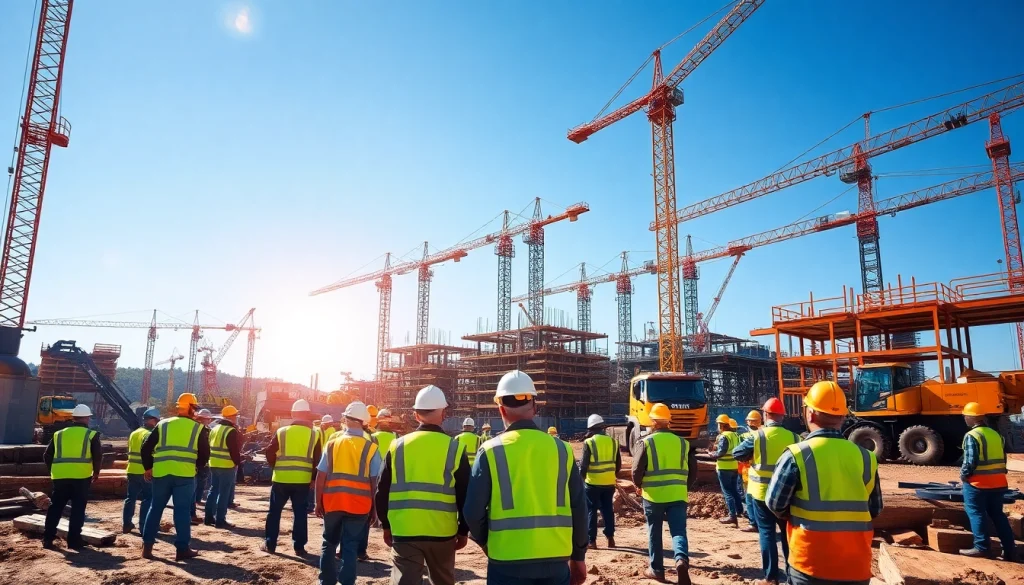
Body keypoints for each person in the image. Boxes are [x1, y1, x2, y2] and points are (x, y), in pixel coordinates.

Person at [464, 370, 589, 585]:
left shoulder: (490, 451)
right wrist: (578, 556)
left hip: (506, 560)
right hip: (555, 558)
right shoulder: (563, 450)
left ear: (500, 409)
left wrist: (487, 542)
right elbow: (579, 508)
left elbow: (472, 512)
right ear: (536, 407)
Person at [766, 381, 883, 585]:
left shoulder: (796, 454)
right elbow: (875, 508)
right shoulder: (866, 458)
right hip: (855, 564)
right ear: (843, 416)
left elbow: (775, 504)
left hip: (810, 563)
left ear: (810, 413)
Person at [375, 386, 471, 585]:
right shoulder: (454, 447)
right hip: (442, 532)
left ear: (415, 414)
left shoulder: (397, 446)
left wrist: (385, 524)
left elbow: (382, 490)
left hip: (404, 530)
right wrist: (463, 530)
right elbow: (464, 495)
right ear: (444, 413)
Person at [733, 397, 801, 585]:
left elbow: (737, 453)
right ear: (782, 416)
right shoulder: (795, 438)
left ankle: (771, 578)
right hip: (787, 496)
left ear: (765, 415)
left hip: (761, 493)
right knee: (788, 536)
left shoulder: (758, 436)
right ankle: (792, 576)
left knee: (767, 533)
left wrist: (750, 459)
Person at [315, 401, 383, 585]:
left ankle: (326, 581)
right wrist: (375, 510)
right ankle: (347, 582)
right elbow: (374, 482)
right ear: (365, 423)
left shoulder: (331, 444)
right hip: (359, 505)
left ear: (344, 419)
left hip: (332, 502)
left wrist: (317, 502)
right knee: (351, 545)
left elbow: (321, 475)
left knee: (328, 543)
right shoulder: (371, 448)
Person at [141, 393, 210, 561]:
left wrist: (148, 467)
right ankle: (182, 549)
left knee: (155, 508)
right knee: (182, 511)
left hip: (162, 473)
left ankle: (147, 548)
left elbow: (146, 448)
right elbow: (204, 454)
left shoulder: (162, 424)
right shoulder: (198, 428)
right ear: (191, 408)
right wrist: (196, 467)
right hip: (185, 475)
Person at [633, 403, 696, 585]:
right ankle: (681, 560)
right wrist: (684, 486)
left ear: (653, 421)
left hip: (653, 496)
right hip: (677, 495)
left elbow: (637, 470)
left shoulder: (646, 442)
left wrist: (639, 485)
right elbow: (693, 470)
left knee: (654, 532)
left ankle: (657, 570)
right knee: (678, 531)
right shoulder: (683, 443)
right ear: (669, 421)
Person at [263, 399, 323, 556]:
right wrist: (312, 479)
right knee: (300, 514)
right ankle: (299, 547)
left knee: (274, 512)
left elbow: (269, 452)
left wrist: (275, 466)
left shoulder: (282, 431)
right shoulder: (314, 434)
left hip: (281, 479)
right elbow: (318, 460)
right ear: (308, 414)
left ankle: (270, 545)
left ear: (292, 414)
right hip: (302, 481)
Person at [958, 401, 1016, 561]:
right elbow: (1003, 459)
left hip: (978, 484)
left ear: (971, 417)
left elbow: (970, 462)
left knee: (976, 513)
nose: (964, 418)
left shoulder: (972, 436)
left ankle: (981, 548)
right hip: (998, 483)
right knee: (998, 515)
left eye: (965, 416)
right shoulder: (995, 434)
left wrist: (963, 477)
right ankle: (1010, 550)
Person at [43, 404, 101, 550]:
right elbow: (97, 456)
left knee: (55, 507)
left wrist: (54, 470)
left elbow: (47, 455)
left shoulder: (59, 434)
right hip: (81, 477)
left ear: (73, 418)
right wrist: (96, 472)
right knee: (77, 510)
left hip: (60, 477)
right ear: (87, 418)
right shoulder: (91, 434)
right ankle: (74, 542)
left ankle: (48, 539)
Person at [579, 413, 620, 550]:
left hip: (592, 483)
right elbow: (618, 465)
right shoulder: (614, 442)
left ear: (590, 428)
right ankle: (611, 539)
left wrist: (581, 480)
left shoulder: (589, 442)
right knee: (608, 510)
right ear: (602, 427)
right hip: (609, 483)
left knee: (592, 510)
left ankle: (592, 541)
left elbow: (583, 466)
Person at [123, 407, 160, 534]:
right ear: (154, 420)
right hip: (145, 471)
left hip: (132, 469)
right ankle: (144, 525)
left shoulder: (135, 432)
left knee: (130, 498)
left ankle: (126, 524)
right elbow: (150, 452)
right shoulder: (149, 434)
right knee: (148, 498)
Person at [205, 405, 242, 528]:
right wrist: (238, 462)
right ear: (231, 417)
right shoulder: (231, 431)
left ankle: (208, 518)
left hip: (214, 464)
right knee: (224, 493)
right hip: (226, 465)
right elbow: (233, 450)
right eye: (235, 415)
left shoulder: (214, 429)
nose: (236, 418)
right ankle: (220, 520)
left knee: (213, 490)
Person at [707, 414, 742, 526]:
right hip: (734, 466)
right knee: (734, 490)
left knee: (727, 492)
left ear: (721, 425)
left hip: (724, 468)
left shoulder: (724, 437)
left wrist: (711, 454)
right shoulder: (735, 435)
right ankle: (739, 511)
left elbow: (721, 452)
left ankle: (732, 516)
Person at [739, 410, 762, 533]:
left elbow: (739, 452)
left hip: (749, 471)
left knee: (749, 498)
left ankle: (753, 523)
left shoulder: (746, 436)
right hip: (766, 473)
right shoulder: (764, 433)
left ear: (748, 421)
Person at [191, 408, 214, 524]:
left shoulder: (193, 428)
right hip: (197, 462)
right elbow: (205, 448)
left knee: (196, 486)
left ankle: (196, 504)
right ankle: (192, 513)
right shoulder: (202, 430)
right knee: (194, 487)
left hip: (191, 462)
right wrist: (204, 461)